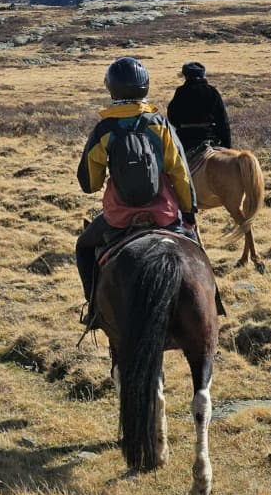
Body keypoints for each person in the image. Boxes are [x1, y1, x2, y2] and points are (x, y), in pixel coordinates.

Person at [76, 56, 198, 322]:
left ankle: (94, 311)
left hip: (118, 218)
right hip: (164, 214)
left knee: (84, 247)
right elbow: (180, 173)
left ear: (112, 88)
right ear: (145, 87)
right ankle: (212, 302)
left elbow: (90, 184)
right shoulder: (160, 125)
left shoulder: (104, 130)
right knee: (195, 251)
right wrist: (188, 213)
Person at [167, 61, 231, 153]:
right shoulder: (212, 91)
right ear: (203, 75)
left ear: (186, 75)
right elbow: (223, 121)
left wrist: (182, 126)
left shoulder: (180, 92)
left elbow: (172, 116)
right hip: (210, 139)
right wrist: (227, 146)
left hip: (185, 140)